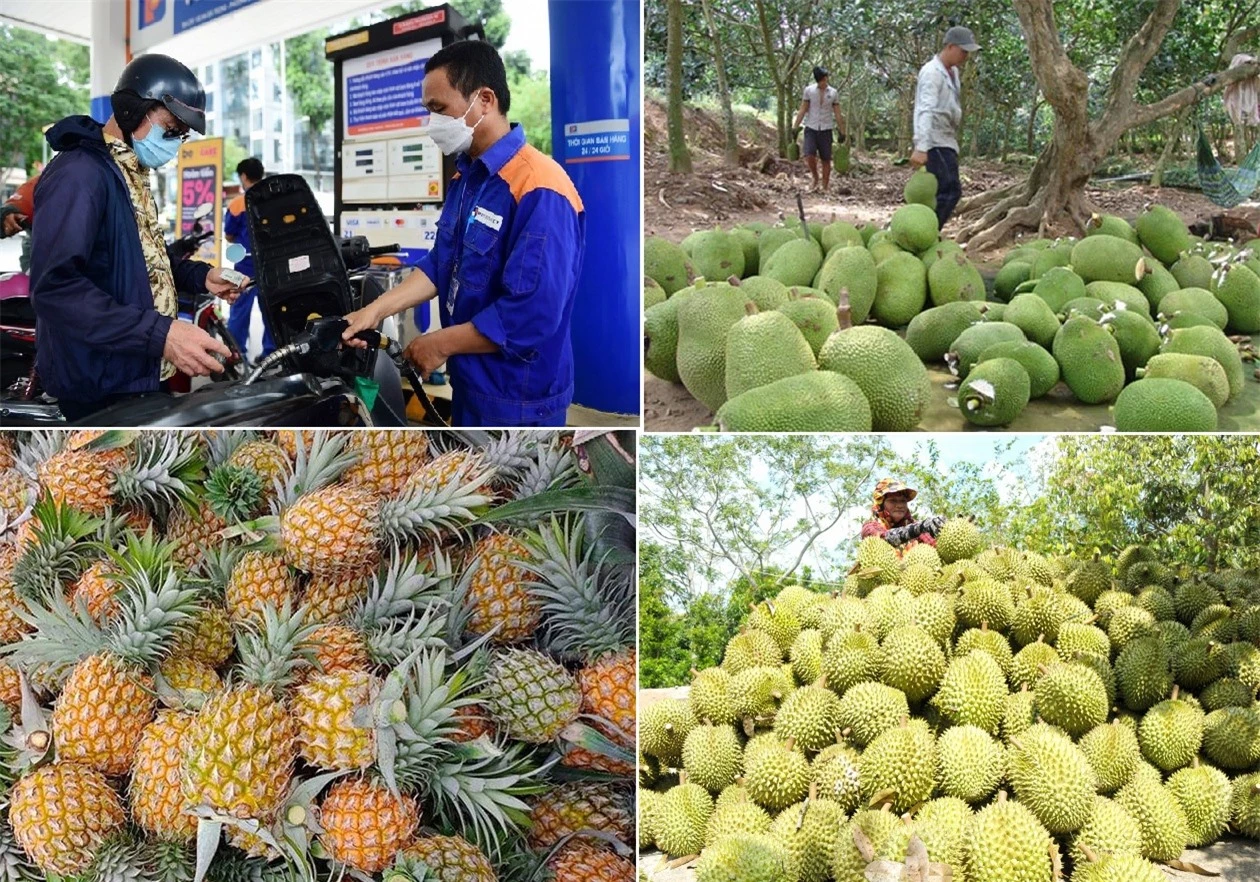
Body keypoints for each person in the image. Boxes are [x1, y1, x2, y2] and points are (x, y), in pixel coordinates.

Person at [342, 39, 586, 427]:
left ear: (484, 99)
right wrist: (375, 310)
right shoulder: (467, 177)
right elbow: (441, 263)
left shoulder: (540, 187)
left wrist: (439, 344)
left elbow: (531, 314)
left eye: (440, 110)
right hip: (471, 383)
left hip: (518, 398)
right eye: (428, 112)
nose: (432, 123)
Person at [29, 53, 245, 421]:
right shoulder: (80, 175)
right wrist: (162, 335)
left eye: (182, 134)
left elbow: (137, 260)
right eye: (170, 128)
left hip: (136, 371)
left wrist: (199, 276)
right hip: (97, 385)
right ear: (132, 111)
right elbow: (56, 288)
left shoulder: (128, 172)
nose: (175, 142)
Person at [911, 26, 981, 228]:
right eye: (963, 51)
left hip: (946, 138)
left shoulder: (953, 72)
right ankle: (926, 232)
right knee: (951, 190)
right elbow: (926, 109)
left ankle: (918, 230)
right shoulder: (932, 73)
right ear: (950, 46)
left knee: (938, 191)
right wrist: (921, 146)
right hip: (934, 139)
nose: (966, 56)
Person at [223, 156, 275, 358]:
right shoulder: (272, 200)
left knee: (239, 309)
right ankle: (271, 354)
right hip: (270, 263)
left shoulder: (238, 204)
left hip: (244, 263)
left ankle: (236, 353)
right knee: (271, 310)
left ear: (244, 176)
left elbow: (228, 235)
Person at [792, 66, 846, 193]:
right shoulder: (809, 91)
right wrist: (795, 127)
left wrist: (842, 131)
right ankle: (815, 177)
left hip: (826, 128)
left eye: (825, 78)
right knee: (809, 155)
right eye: (822, 80)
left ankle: (825, 185)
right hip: (811, 127)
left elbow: (838, 113)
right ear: (817, 80)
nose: (824, 81)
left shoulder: (833, 93)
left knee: (826, 159)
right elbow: (803, 109)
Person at [860, 478, 945, 551]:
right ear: (881, 504)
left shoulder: (914, 525)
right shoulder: (870, 527)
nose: (900, 505)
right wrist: (917, 528)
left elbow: (935, 545)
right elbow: (883, 538)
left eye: (903, 501)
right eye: (893, 501)